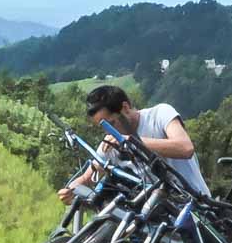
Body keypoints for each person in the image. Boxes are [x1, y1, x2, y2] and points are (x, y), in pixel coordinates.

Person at [60, 85, 209, 202]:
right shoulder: (111, 142)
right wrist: (71, 190)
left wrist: (132, 141)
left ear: (125, 108)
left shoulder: (160, 114)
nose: (108, 132)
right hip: (160, 219)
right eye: (103, 127)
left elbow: (185, 148)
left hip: (199, 208)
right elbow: (88, 178)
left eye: (111, 124)